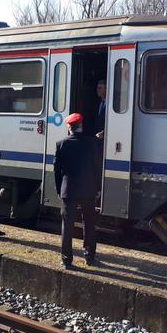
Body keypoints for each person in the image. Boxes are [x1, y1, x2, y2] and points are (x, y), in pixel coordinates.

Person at [53, 113, 101, 269]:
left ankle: (66, 259)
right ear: (81, 126)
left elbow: (57, 170)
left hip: (69, 189)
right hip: (88, 189)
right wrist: (97, 188)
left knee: (67, 225)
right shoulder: (91, 143)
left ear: (69, 127)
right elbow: (96, 168)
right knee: (89, 222)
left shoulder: (61, 144)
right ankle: (89, 256)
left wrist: (60, 189)